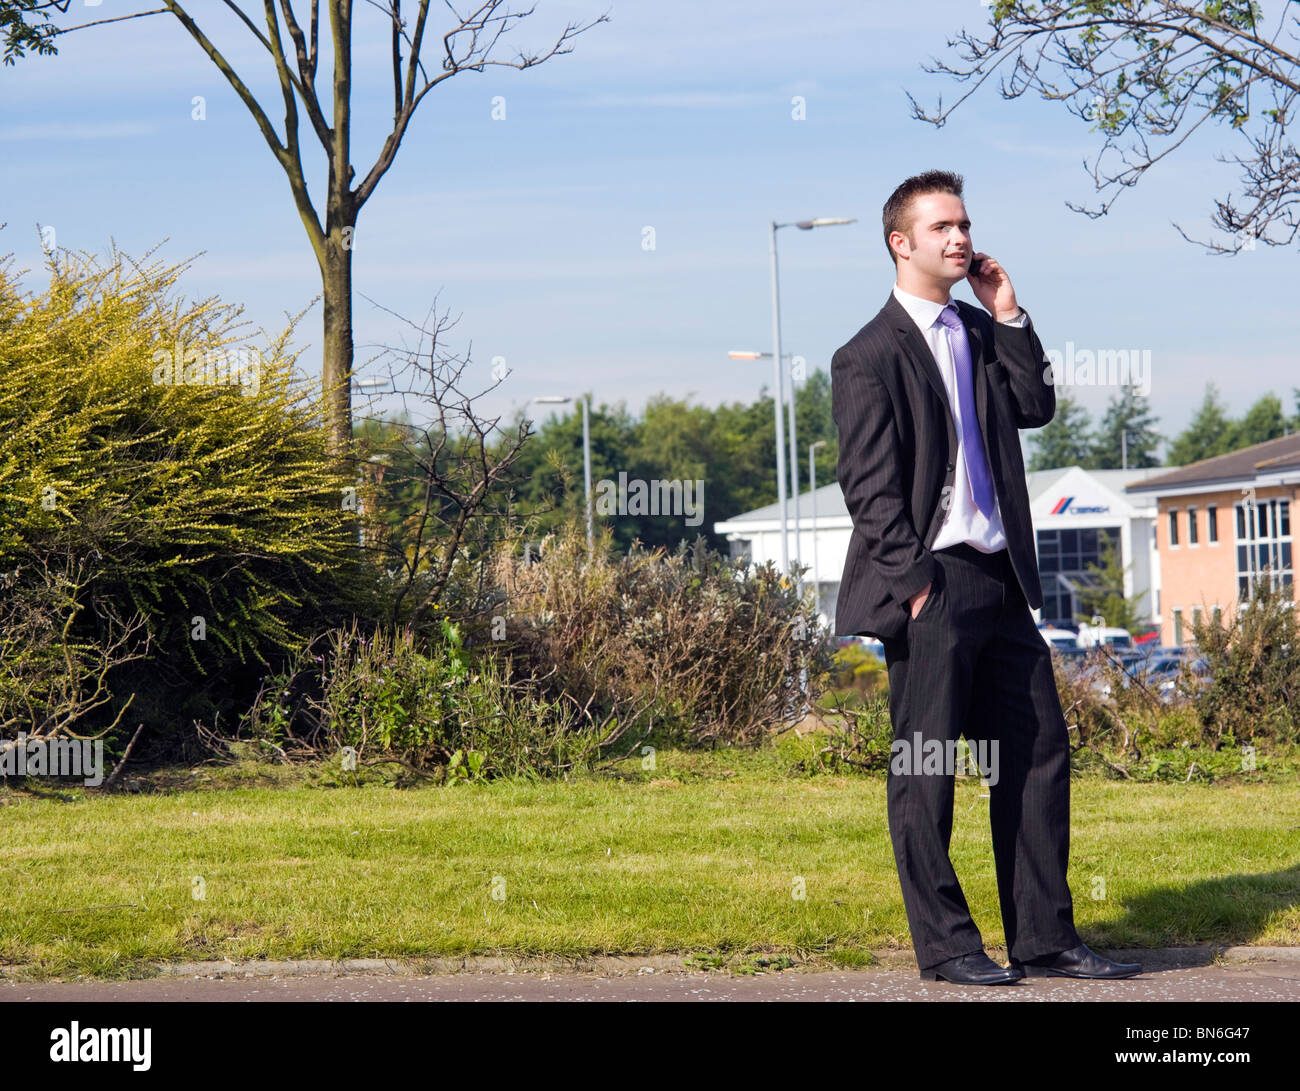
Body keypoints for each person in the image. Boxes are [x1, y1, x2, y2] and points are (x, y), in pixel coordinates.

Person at [830, 169, 1141, 986]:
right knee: (926, 770)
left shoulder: (976, 329)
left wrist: (1008, 314)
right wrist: (914, 581)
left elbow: (1033, 405)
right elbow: (867, 484)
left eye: (965, 224)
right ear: (902, 243)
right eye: (942, 228)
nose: (961, 238)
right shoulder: (864, 356)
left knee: (1039, 749)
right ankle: (947, 945)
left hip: (1001, 581)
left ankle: (1044, 937)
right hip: (931, 583)